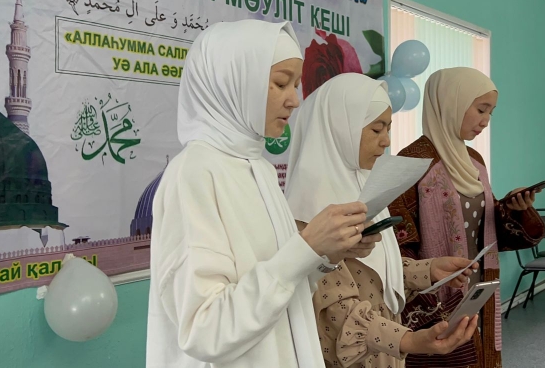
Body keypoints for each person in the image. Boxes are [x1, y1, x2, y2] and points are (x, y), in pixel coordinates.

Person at [146, 20, 379, 368]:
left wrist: (326, 253)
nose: (294, 100)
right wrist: (306, 246)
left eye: (296, 86)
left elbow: (284, 289)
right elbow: (204, 330)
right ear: (234, 82)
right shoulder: (194, 174)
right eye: (281, 84)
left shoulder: (259, 169)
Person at [285, 73, 479, 368]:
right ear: (340, 127)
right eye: (376, 129)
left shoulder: (360, 183)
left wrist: (428, 269)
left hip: (383, 351)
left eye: (388, 128)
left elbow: (372, 272)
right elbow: (334, 309)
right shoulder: (310, 206)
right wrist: (410, 341)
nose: (386, 141)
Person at [388, 67, 545, 368]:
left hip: (479, 287)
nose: (485, 120)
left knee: (479, 354)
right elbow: (397, 246)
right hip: (435, 295)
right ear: (451, 103)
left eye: (491, 112)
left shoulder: (474, 160)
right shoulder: (411, 162)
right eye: (480, 109)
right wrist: (433, 287)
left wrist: (513, 209)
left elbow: (483, 226)